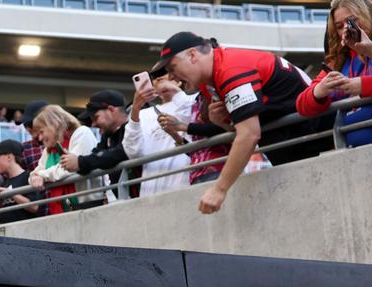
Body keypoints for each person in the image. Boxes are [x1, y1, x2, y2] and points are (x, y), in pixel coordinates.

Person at [152, 32, 328, 214]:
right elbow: (243, 129)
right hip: (288, 144)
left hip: (316, 141)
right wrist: (220, 122)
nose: (171, 77)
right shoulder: (209, 81)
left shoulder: (230, 68)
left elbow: (249, 135)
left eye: (173, 67)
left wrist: (219, 189)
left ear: (192, 55)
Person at [297, 0, 372, 148]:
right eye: (339, 26)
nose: (346, 28)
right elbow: (302, 105)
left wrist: (362, 85)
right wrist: (320, 91)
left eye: (352, 21)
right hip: (354, 153)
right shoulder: (339, 61)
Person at [123, 75, 195, 196]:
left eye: (165, 73)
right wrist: (135, 108)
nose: (159, 78)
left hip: (186, 186)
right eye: (155, 77)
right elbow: (133, 152)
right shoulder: (144, 114)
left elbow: (194, 119)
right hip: (151, 191)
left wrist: (177, 92)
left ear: (178, 79)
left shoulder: (193, 101)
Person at [28, 104, 107, 213]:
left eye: (41, 132)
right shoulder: (49, 149)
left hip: (90, 207)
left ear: (53, 125)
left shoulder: (82, 133)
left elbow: (69, 168)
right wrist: (34, 177)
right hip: (64, 210)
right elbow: (35, 173)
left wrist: (41, 176)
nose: (40, 138)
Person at [62, 89, 129, 199]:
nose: (93, 124)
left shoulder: (134, 126)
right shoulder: (107, 136)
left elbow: (120, 152)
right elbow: (95, 156)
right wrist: (76, 162)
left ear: (111, 110)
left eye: (96, 117)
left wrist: (80, 162)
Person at [0, 139, 39, 225]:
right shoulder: (4, 183)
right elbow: (3, 212)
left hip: (27, 230)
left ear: (9, 157)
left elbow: (34, 207)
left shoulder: (29, 177)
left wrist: (9, 192)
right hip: (8, 231)